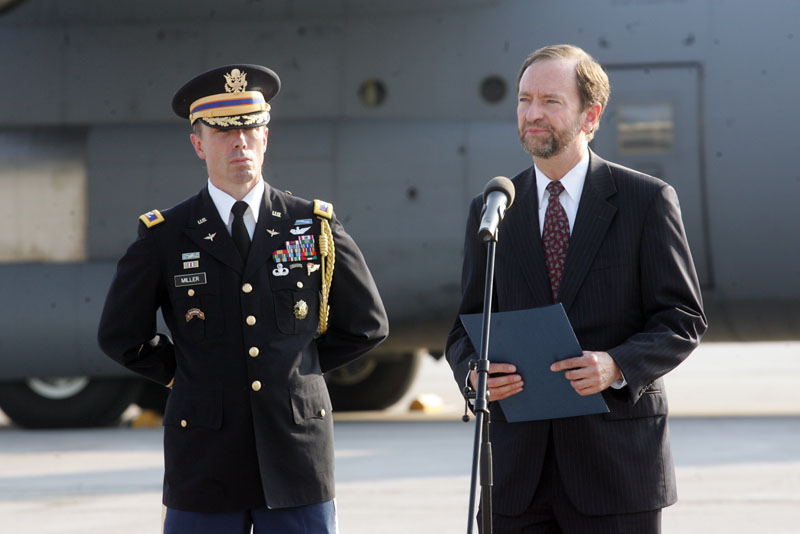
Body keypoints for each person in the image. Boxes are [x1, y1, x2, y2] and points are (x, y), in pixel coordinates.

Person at [98, 64, 389, 533]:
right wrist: (187, 374)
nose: (240, 143)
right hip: (205, 462)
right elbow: (120, 335)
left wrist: (295, 368)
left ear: (266, 137)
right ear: (198, 144)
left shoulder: (311, 226)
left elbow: (367, 325)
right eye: (223, 132)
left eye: (250, 129)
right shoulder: (165, 236)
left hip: (296, 457)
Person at [445, 44, 707, 533]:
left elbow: (683, 319)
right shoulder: (494, 205)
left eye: (550, 101)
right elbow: (464, 329)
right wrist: (474, 375)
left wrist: (616, 366)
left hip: (615, 470)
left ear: (591, 115)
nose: (532, 114)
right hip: (515, 477)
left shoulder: (645, 201)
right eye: (524, 100)